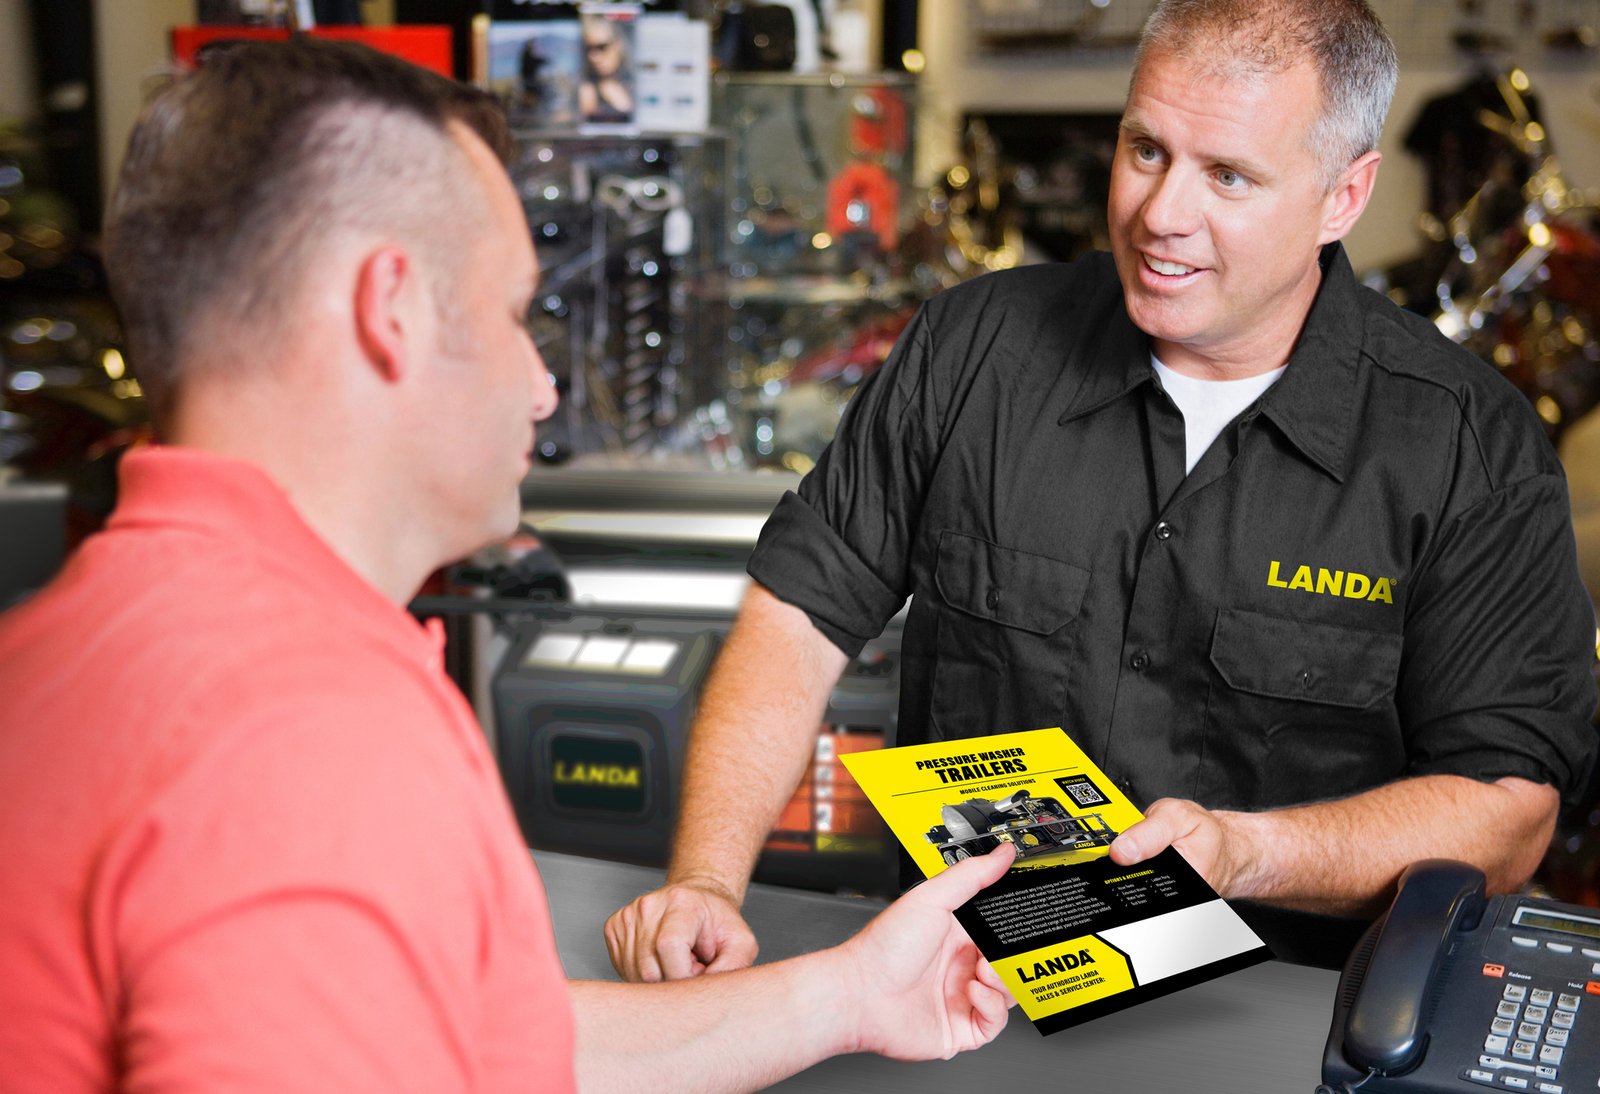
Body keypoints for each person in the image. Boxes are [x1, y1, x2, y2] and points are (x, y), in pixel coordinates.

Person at [0, 39, 1018, 1093]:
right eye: (511, 312)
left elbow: (455, 1033)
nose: (541, 386)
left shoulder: (59, 647)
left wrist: (849, 995)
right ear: (388, 308)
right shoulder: (307, 731)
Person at [606, 0, 1600, 978]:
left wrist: (1246, 849)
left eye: (1228, 176)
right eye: (1145, 150)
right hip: (956, 993)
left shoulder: (1467, 448)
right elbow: (797, 616)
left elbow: (1507, 806)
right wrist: (704, 877)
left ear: (1343, 196)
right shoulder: (971, 350)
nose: (1162, 214)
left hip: (1282, 1020)